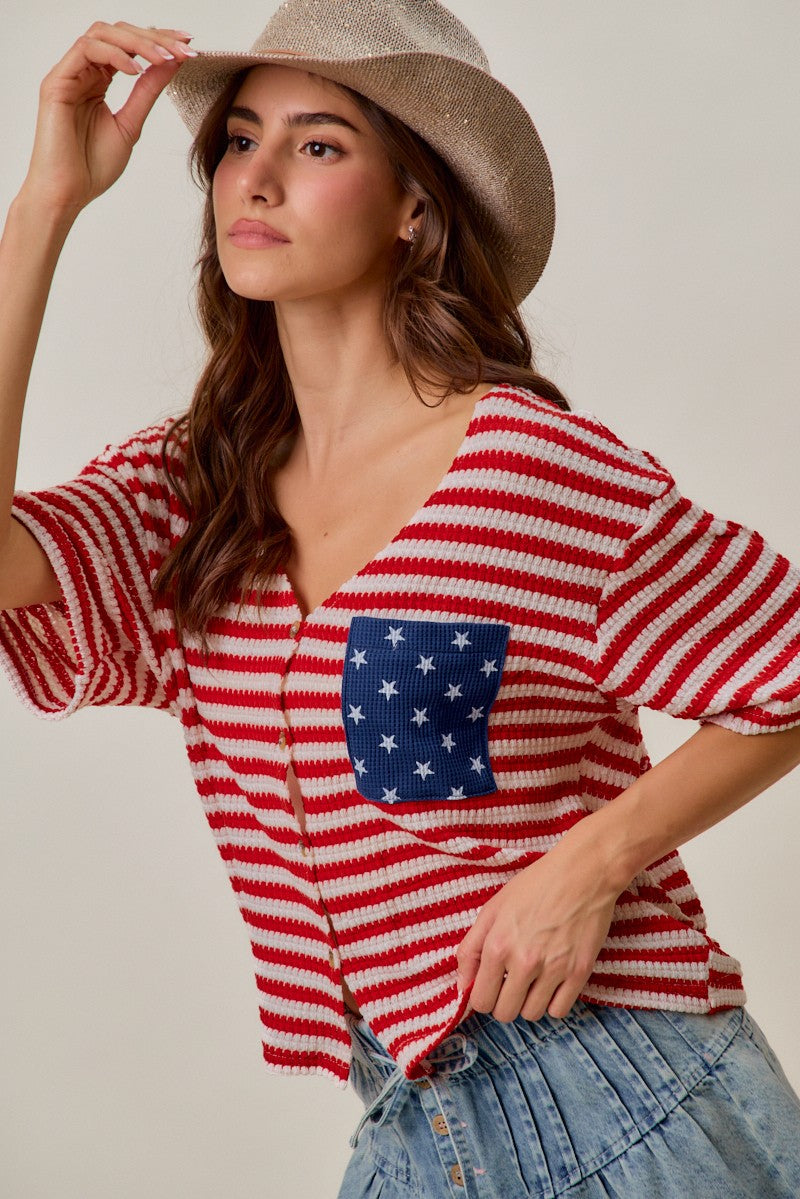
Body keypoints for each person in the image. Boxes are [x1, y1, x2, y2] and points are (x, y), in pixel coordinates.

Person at [1, 2, 800, 1196]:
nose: (256, 176)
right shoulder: (195, 493)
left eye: (317, 144)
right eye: (239, 140)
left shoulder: (521, 468)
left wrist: (589, 862)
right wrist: (44, 206)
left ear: (412, 208)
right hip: (409, 1117)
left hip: (624, 1094)